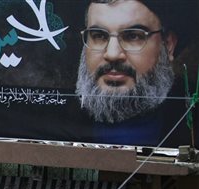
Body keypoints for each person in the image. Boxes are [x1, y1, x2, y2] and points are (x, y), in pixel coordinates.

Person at [75, 0, 186, 145]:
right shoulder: (58, 119)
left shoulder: (189, 120)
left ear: (168, 45)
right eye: (99, 35)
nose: (113, 54)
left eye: (133, 36)